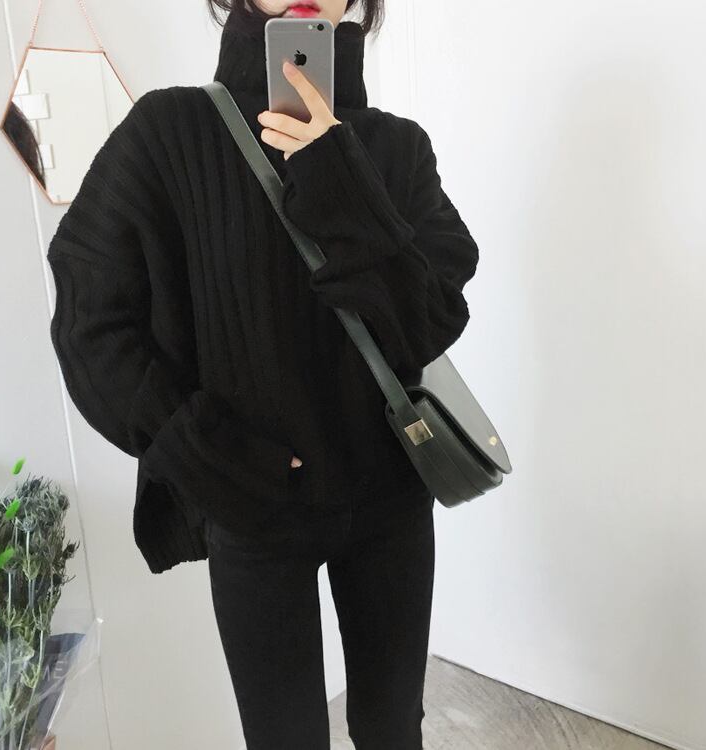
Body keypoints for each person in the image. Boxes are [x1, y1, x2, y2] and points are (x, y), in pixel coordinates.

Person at [46, 0, 479, 746]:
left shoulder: (398, 148)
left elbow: (430, 320)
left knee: (392, 729)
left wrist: (336, 170)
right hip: (252, 508)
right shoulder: (168, 131)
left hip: (390, 504)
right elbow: (91, 319)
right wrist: (206, 453)